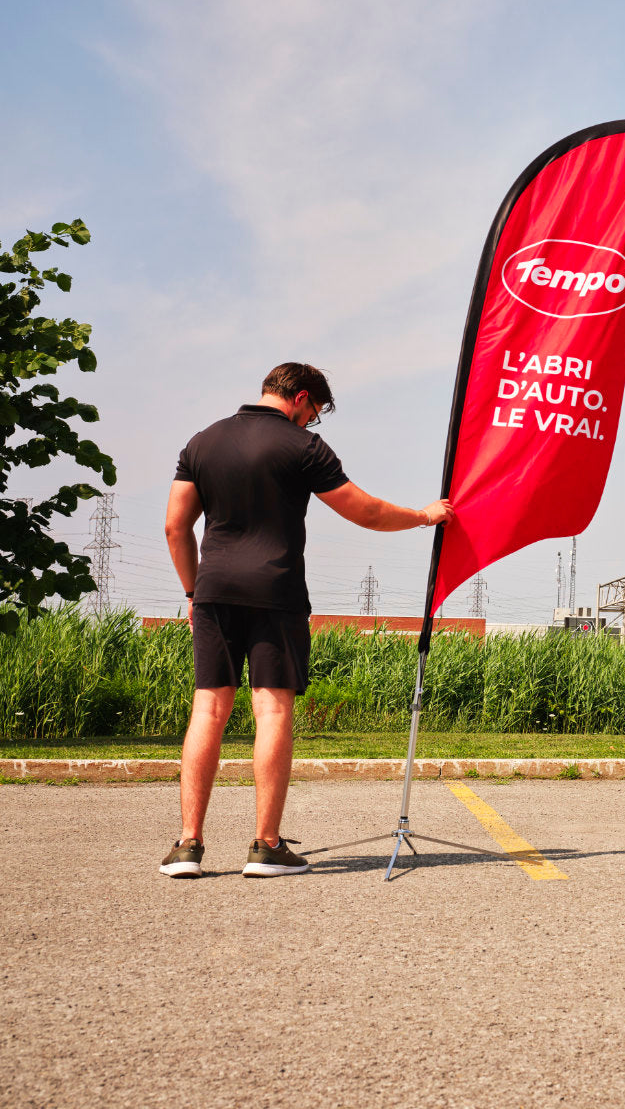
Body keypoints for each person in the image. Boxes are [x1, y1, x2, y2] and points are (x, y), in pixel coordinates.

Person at [160, 363, 453, 878]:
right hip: (276, 592)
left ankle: (187, 845)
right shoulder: (302, 449)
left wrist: (193, 589)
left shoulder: (202, 442)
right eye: (313, 413)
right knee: (271, 712)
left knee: (207, 710)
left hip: (214, 592)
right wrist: (424, 516)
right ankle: (267, 847)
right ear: (300, 397)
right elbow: (367, 512)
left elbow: (174, 526)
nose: (311, 423)